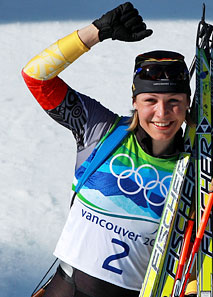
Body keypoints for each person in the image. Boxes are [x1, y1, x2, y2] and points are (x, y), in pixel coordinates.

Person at [23, 3, 193, 296]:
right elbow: (36, 77)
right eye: (150, 100)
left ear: (188, 104)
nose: (162, 113)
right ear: (135, 99)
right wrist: (96, 33)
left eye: (174, 101)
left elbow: (199, 247)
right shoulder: (100, 130)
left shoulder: (196, 167)